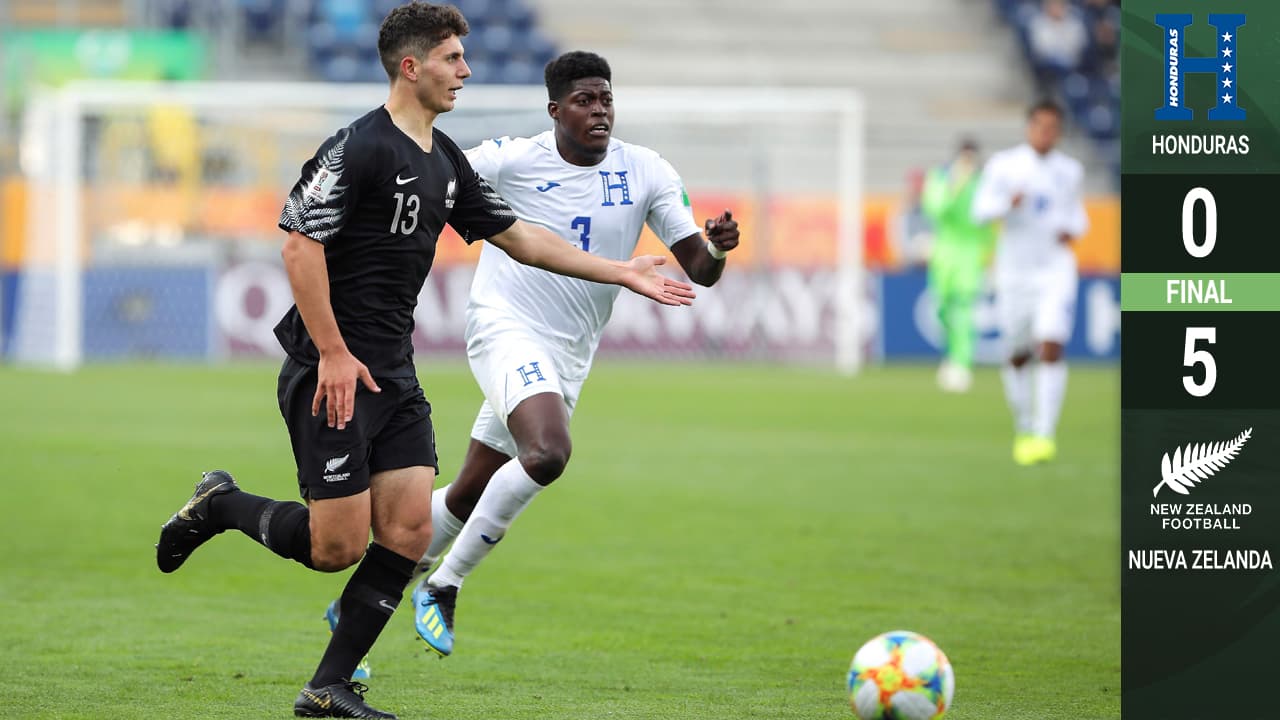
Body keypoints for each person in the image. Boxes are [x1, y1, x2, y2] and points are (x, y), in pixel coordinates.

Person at [153, 6, 694, 719]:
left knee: (407, 532)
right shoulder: (360, 147)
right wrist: (336, 354)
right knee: (334, 547)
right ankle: (220, 505)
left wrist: (620, 271)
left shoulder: (445, 161)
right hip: (332, 370)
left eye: (465, 57)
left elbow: (522, 239)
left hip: (395, 371)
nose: (466, 71)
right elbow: (297, 244)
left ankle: (327, 688)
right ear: (412, 67)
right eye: (452, 59)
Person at [370, 50, 737, 660]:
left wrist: (718, 248)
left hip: (568, 355)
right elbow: (433, 166)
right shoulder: (513, 159)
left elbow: (698, 267)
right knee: (548, 452)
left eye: (607, 100)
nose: (600, 112)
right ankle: (443, 583)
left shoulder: (645, 171)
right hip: (504, 327)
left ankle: (367, 595)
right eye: (585, 101)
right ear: (555, 110)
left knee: (467, 494)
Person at [972, 100, 1087, 466]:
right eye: (1041, 126)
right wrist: (1008, 202)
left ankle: (1044, 433)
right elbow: (979, 211)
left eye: (1053, 128)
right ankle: (1024, 424)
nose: (1046, 133)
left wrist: (1074, 229)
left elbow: (1076, 216)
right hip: (1014, 272)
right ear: (1029, 127)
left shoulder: (1070, 171)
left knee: (1051, 344)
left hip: (1054, 268)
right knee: (1017, 354)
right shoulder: (1005, 166)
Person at [920, 138, 996, 393]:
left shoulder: (984, 183)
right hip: (944, 252)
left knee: (963, 308)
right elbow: (935, 209)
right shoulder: (940, 177)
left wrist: (991, 256)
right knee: (941, 308)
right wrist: (954, 185)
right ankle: (951, 356)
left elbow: (989, 222)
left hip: (971, 252)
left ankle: (961, 364)